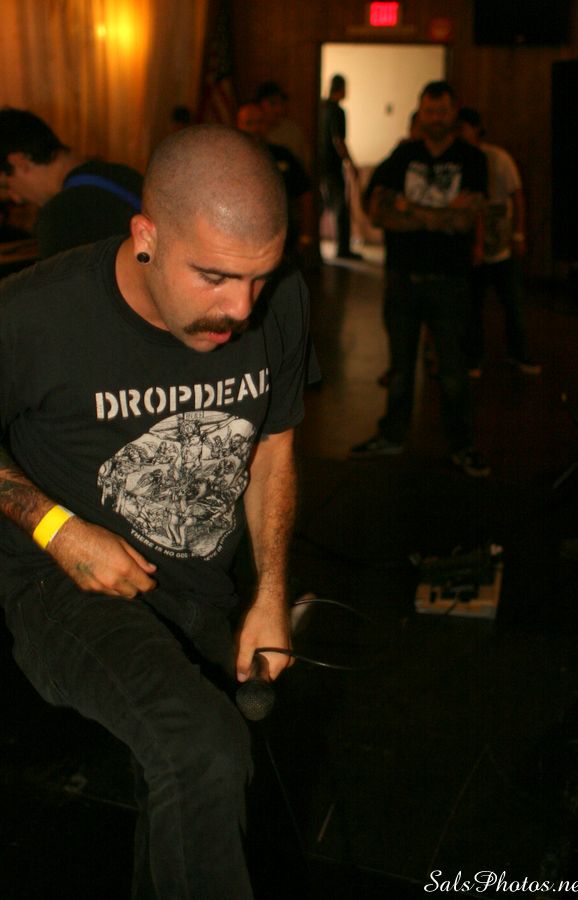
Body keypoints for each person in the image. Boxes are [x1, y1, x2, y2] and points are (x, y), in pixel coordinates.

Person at [0, 125, 317, 898]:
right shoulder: (36, 314)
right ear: (146, 237)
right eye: (214, 276)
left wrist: (271, 591)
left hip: (198, 581)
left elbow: (272, 446)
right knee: (200, 745)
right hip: (61, 584)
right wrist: (55, 527)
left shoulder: (280, 300)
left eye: (259, 277)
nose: (240, 308)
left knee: (198, 776)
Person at [351, 81, 490, 477]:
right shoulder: (403, 155)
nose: (436, 118)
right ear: (421, 112)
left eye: (442, 111)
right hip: (403, 279)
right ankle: (391, 435)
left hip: (451, 281)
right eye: (429, 111)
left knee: (453, 370)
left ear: (454, 112)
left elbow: (467, 219)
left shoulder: (472, 158)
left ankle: (462, 445)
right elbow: (378, 212)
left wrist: (408, 209)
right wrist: (442, 215)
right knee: (399, 367)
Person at [457, 106, 541, 377]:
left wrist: (519, 234)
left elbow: (517, 195)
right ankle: (474, 358)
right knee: (473, 307)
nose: (460, 133)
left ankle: (519, 353)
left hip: (501, 245)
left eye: (463, 128)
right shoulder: (459, 160)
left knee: (513, 304)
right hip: (475, 246)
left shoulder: (498, 158)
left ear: (476, 129)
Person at [0, 108, 143, 258]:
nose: (16, 198)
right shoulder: (122, 174)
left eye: (7, 186)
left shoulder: (61, 215)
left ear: (19, 161)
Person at [237, 101, 312, 257]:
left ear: (267, 125)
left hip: (285, 244)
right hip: (241, 244)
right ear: (238, 125)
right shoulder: (227, 159)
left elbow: (305, 194)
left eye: (260, 122)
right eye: (249, 123)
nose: (255, 128)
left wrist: (305, 235)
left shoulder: (283, 155)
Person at [319, 74, 362, 261]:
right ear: (341, 88)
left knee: (324, 206)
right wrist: (350, 162)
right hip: (331, 166)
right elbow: (338, 140)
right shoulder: (337, 111)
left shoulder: (321, 108)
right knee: (341, 208)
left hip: (320, 165)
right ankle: (343, 249)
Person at [255, 81, 310, 171]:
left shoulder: (292, 131)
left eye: (281, 104)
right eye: (272, 104)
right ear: (258, 105)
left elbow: (303, 164)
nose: (278, 109)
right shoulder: (252, 131)